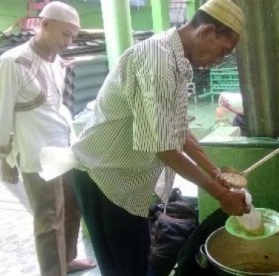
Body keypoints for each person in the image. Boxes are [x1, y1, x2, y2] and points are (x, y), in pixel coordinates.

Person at [70, 0, 249, 274]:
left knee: (136, 261)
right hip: (104, 178)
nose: (219, 61)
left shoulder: (180, 62)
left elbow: (178, 129)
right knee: (122, 268)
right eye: (222, 51)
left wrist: (215, 174)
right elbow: (163, 147)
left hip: (128, 181)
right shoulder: (157, 59)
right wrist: (221, 195)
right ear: (206, 32)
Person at [0, 2, 96, 275]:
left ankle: (67, 260)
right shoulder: (12, 62)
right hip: (35, 152)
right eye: (65, 34)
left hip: (63, 147)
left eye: (73, 36)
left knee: (71, 208)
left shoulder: (55, 61)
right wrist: (4, 159)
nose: (69, 42)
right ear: (44, 25)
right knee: (48, 220)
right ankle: (52, 271)